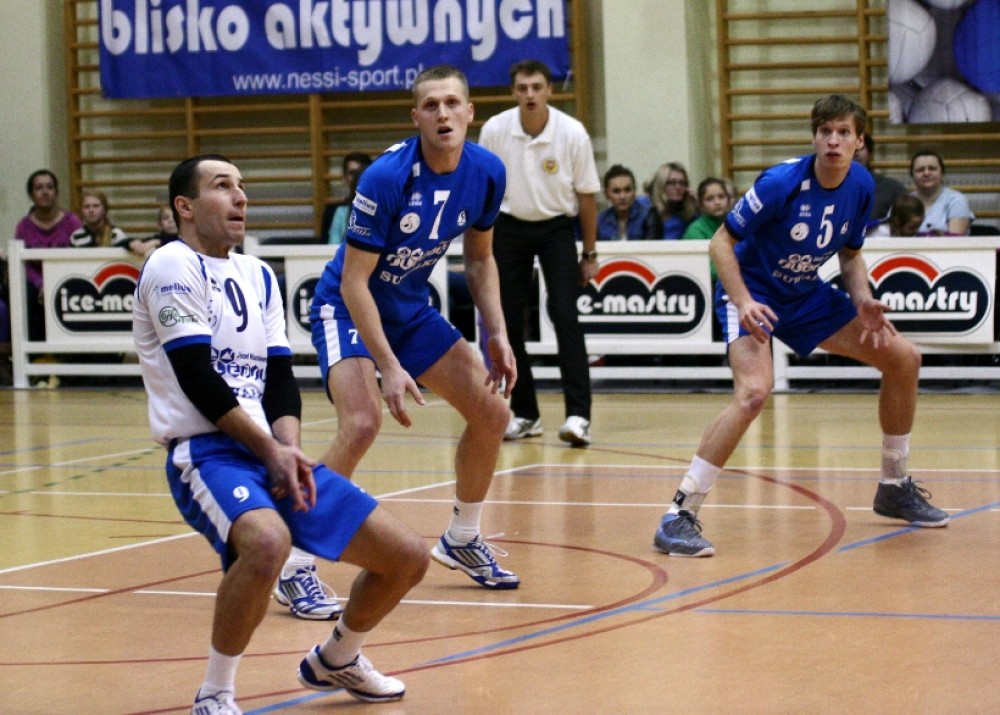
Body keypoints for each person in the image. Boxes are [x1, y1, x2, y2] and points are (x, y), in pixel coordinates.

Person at [133, 154, 428, 714]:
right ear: (185, 207)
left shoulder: (257, 274)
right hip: (207, 454)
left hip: (269, 450)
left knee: (408, 557)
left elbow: (279, 380)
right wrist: (271, 450)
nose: (241, 196)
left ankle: (338, 657)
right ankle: (215, 694)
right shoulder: (171, 263)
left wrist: (288, 450)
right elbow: (197, 376)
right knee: (267, 544)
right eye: (223, 186)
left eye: (242, 185)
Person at [652, 94, 948, 558]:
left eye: (843, 132)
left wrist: (862, 298)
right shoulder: (781, 183)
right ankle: (678, 514)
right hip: (753, 292)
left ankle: (894, 485)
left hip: (804, 294)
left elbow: (850, 255)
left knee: (904, 359)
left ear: (859, 141)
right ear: (814, 137)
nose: (833, 140)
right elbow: (720, 243)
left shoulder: (861, 185)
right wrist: (743, 301)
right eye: (825, 131)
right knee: (754, 393)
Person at [310, 65, 521, 590]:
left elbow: (479, 259)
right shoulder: (385, 178)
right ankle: (292, 559)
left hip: (407, 309)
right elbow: (355, 282)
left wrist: (496, 331)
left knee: (493, 412)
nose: (442, 114)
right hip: (347, 307)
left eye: (451, 103)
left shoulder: (487, 171)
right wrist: (388, 365)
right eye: (431, 106)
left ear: (470, 112)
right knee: (362, 423)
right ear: (416, 118)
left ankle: (462, 537)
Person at [479, 58, 600, 447]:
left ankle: (578, 416)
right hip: (508, 229)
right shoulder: (495, 130)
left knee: (566, 316)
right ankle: (526, 413)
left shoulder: (572, 133)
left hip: (556, 230)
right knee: (508, 323)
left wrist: (589, 254)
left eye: (536, 87)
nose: (530, 94)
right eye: (522, 88)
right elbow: (483, 191)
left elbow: (586, 197)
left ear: (549, 90)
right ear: (513, 92)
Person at [14, 170, 82, 343]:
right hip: (34, 285)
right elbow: (24, 265)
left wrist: (54, 282)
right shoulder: (23, 226)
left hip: (66, 279)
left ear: (56, 192)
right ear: (31, 194)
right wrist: (41, 284)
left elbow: (80, 258)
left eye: (49, 187)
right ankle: (30, 351)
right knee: (23, 294)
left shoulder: (72, 222)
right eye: (39, 188)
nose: (45, 192)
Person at [909, 149, 974, 236]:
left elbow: (955, 239)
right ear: (912, 175)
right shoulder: (903, 202)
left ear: (942, 173)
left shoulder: (957, 201)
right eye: (920, 170)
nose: (926, 173)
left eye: (932, 169)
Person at [319, 152, 373, 244]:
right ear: (344, 177)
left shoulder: (385, 209)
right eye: (352, 173)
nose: (357, 178)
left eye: (362, 173)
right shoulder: (335, 212)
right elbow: (330, 248)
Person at [855, 132, 907, 227]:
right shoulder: (829, 189)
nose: (856, 153)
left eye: (860, 148)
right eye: (850, 148)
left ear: (870, 153)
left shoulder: (892, 188)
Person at [597, 164, 659, 241]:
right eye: (616, 191)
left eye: (627, 190)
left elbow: (652, 246)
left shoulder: (649, 215)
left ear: (634, 191)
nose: (622, 196)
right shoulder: (600, 220)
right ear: (606, 194)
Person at [646, 162, 699, 240]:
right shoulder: (645, 208)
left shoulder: (688, 216)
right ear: (661, 185)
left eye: (682, 183)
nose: (678, 187)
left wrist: (699, 206)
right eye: (672, 183)